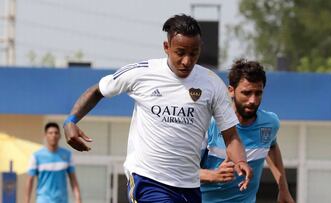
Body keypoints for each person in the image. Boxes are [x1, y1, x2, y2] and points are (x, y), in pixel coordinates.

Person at [63, 14, 252, 202]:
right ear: (166, 47)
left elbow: (231, 136)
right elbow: (98, 90)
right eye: (180, 53)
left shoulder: (212, 84)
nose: (187, 61)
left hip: (189, 186)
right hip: (147, 179)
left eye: (193, 53)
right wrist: (70, 120)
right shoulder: (142, 73)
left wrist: (241, 161)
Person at [200, 59, 295, 203]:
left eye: (258, 93)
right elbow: (183, 172)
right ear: (231, 91)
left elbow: (271, 147)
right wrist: (214, 175)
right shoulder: (210, 123)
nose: (253, 100)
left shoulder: (270, 123)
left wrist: (283, 189)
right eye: (246, 93)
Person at [25, 122, 81, 203]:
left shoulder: (67, 155)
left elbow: (73, 180)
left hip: (62, 200)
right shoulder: (36, 156)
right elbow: (30, 181)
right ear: (45, 135)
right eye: (50, 133)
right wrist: (26, 201)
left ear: (60, 136)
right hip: (43, 200)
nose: (53, 135)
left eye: (56, 133)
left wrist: (78, 199)